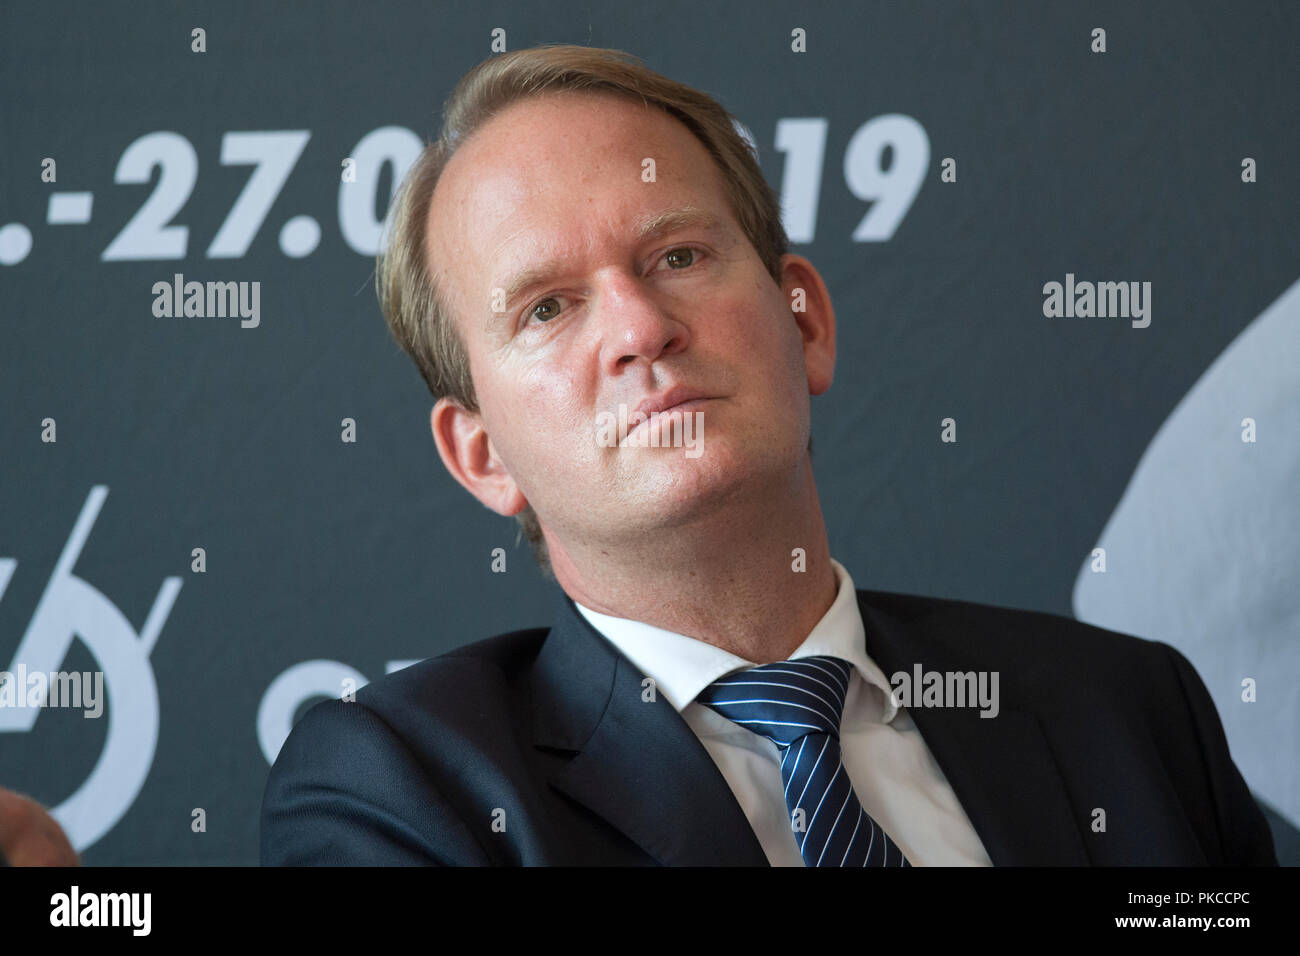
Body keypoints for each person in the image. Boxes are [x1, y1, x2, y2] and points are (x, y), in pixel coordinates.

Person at [260, 44, 1277, 866]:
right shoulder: (400, 787)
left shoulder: (1125, 708)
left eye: (678, 256)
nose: (639, 326)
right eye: (548, 306)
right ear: (481, 453)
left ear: (807, 321)